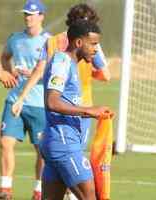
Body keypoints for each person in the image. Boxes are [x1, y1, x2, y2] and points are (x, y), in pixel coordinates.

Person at [0, 0, 50, 200]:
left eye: (32, 14)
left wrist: (35, 74)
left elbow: (56, 71)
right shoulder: (15, 38)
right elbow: (5, 57)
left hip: (39, 104)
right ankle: (5, 190)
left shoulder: (50, 41)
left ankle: (39, 192)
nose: (28, 17)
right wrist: (11, 72)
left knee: (42, 151)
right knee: (5, 142)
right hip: (14, 100)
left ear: (41, 16)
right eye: (26, 14)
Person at [41, 19, 110, 200]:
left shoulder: (71, 64)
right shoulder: (62, 61)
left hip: (58, 144)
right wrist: (89, 111)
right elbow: (52, 102)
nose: (96, 49)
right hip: (64, 145)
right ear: (78, 43)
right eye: (93, 44)